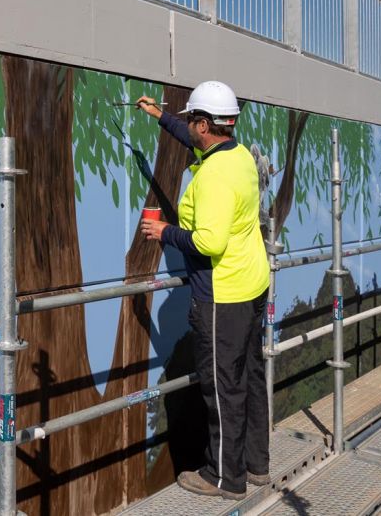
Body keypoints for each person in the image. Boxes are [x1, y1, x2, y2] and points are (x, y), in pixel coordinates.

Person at [136, 81, 271, 500]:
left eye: (192, 119)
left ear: (205, 125)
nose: (190, 126)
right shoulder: (239, 156)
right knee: (249, 376)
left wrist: (165, 231)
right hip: (252, 284)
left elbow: (209, 242)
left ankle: (224, 478)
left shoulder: (213, 177)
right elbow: (194, 139)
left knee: (221, 386)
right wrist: (162, 118)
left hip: (223, 293)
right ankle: (255, 465)